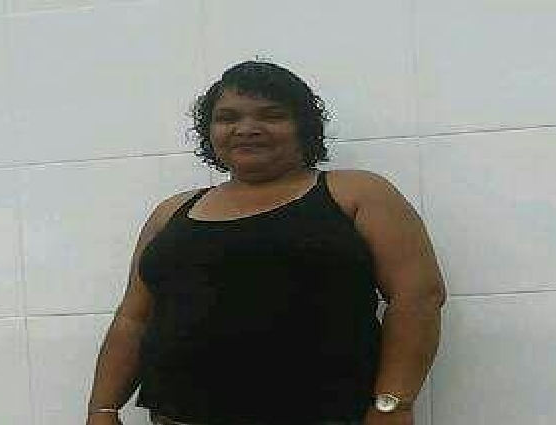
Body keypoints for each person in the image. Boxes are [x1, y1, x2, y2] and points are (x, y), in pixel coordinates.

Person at [86, 61, 446, 425]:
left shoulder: (354, 193)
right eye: (227, 118)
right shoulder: (172, 212)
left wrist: (393, 406)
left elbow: (418, 297)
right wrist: (102, 409)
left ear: (303, 126)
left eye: (271, 115)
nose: (247, 129)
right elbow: (133, 319)